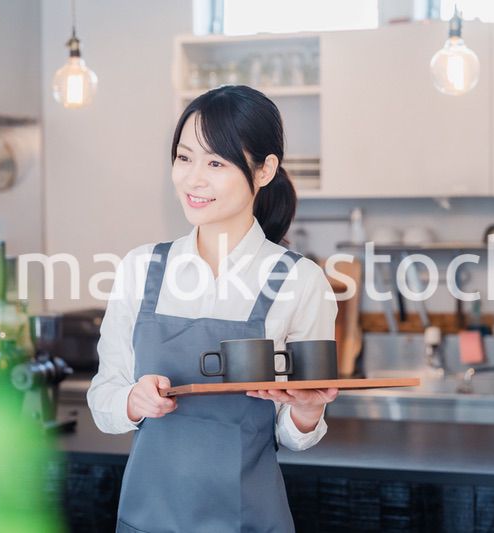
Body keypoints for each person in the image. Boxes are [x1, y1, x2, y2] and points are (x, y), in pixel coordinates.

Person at [88, 84, 339, 532]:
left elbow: (293, 434)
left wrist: (307, 409)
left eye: (216, 162)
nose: (193, 179)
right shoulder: (140, 268)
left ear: (264, 171)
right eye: (184, 158)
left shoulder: (301, 281)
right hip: (149, 517)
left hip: (250, 520)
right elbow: (104, 397)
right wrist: (132, 399)